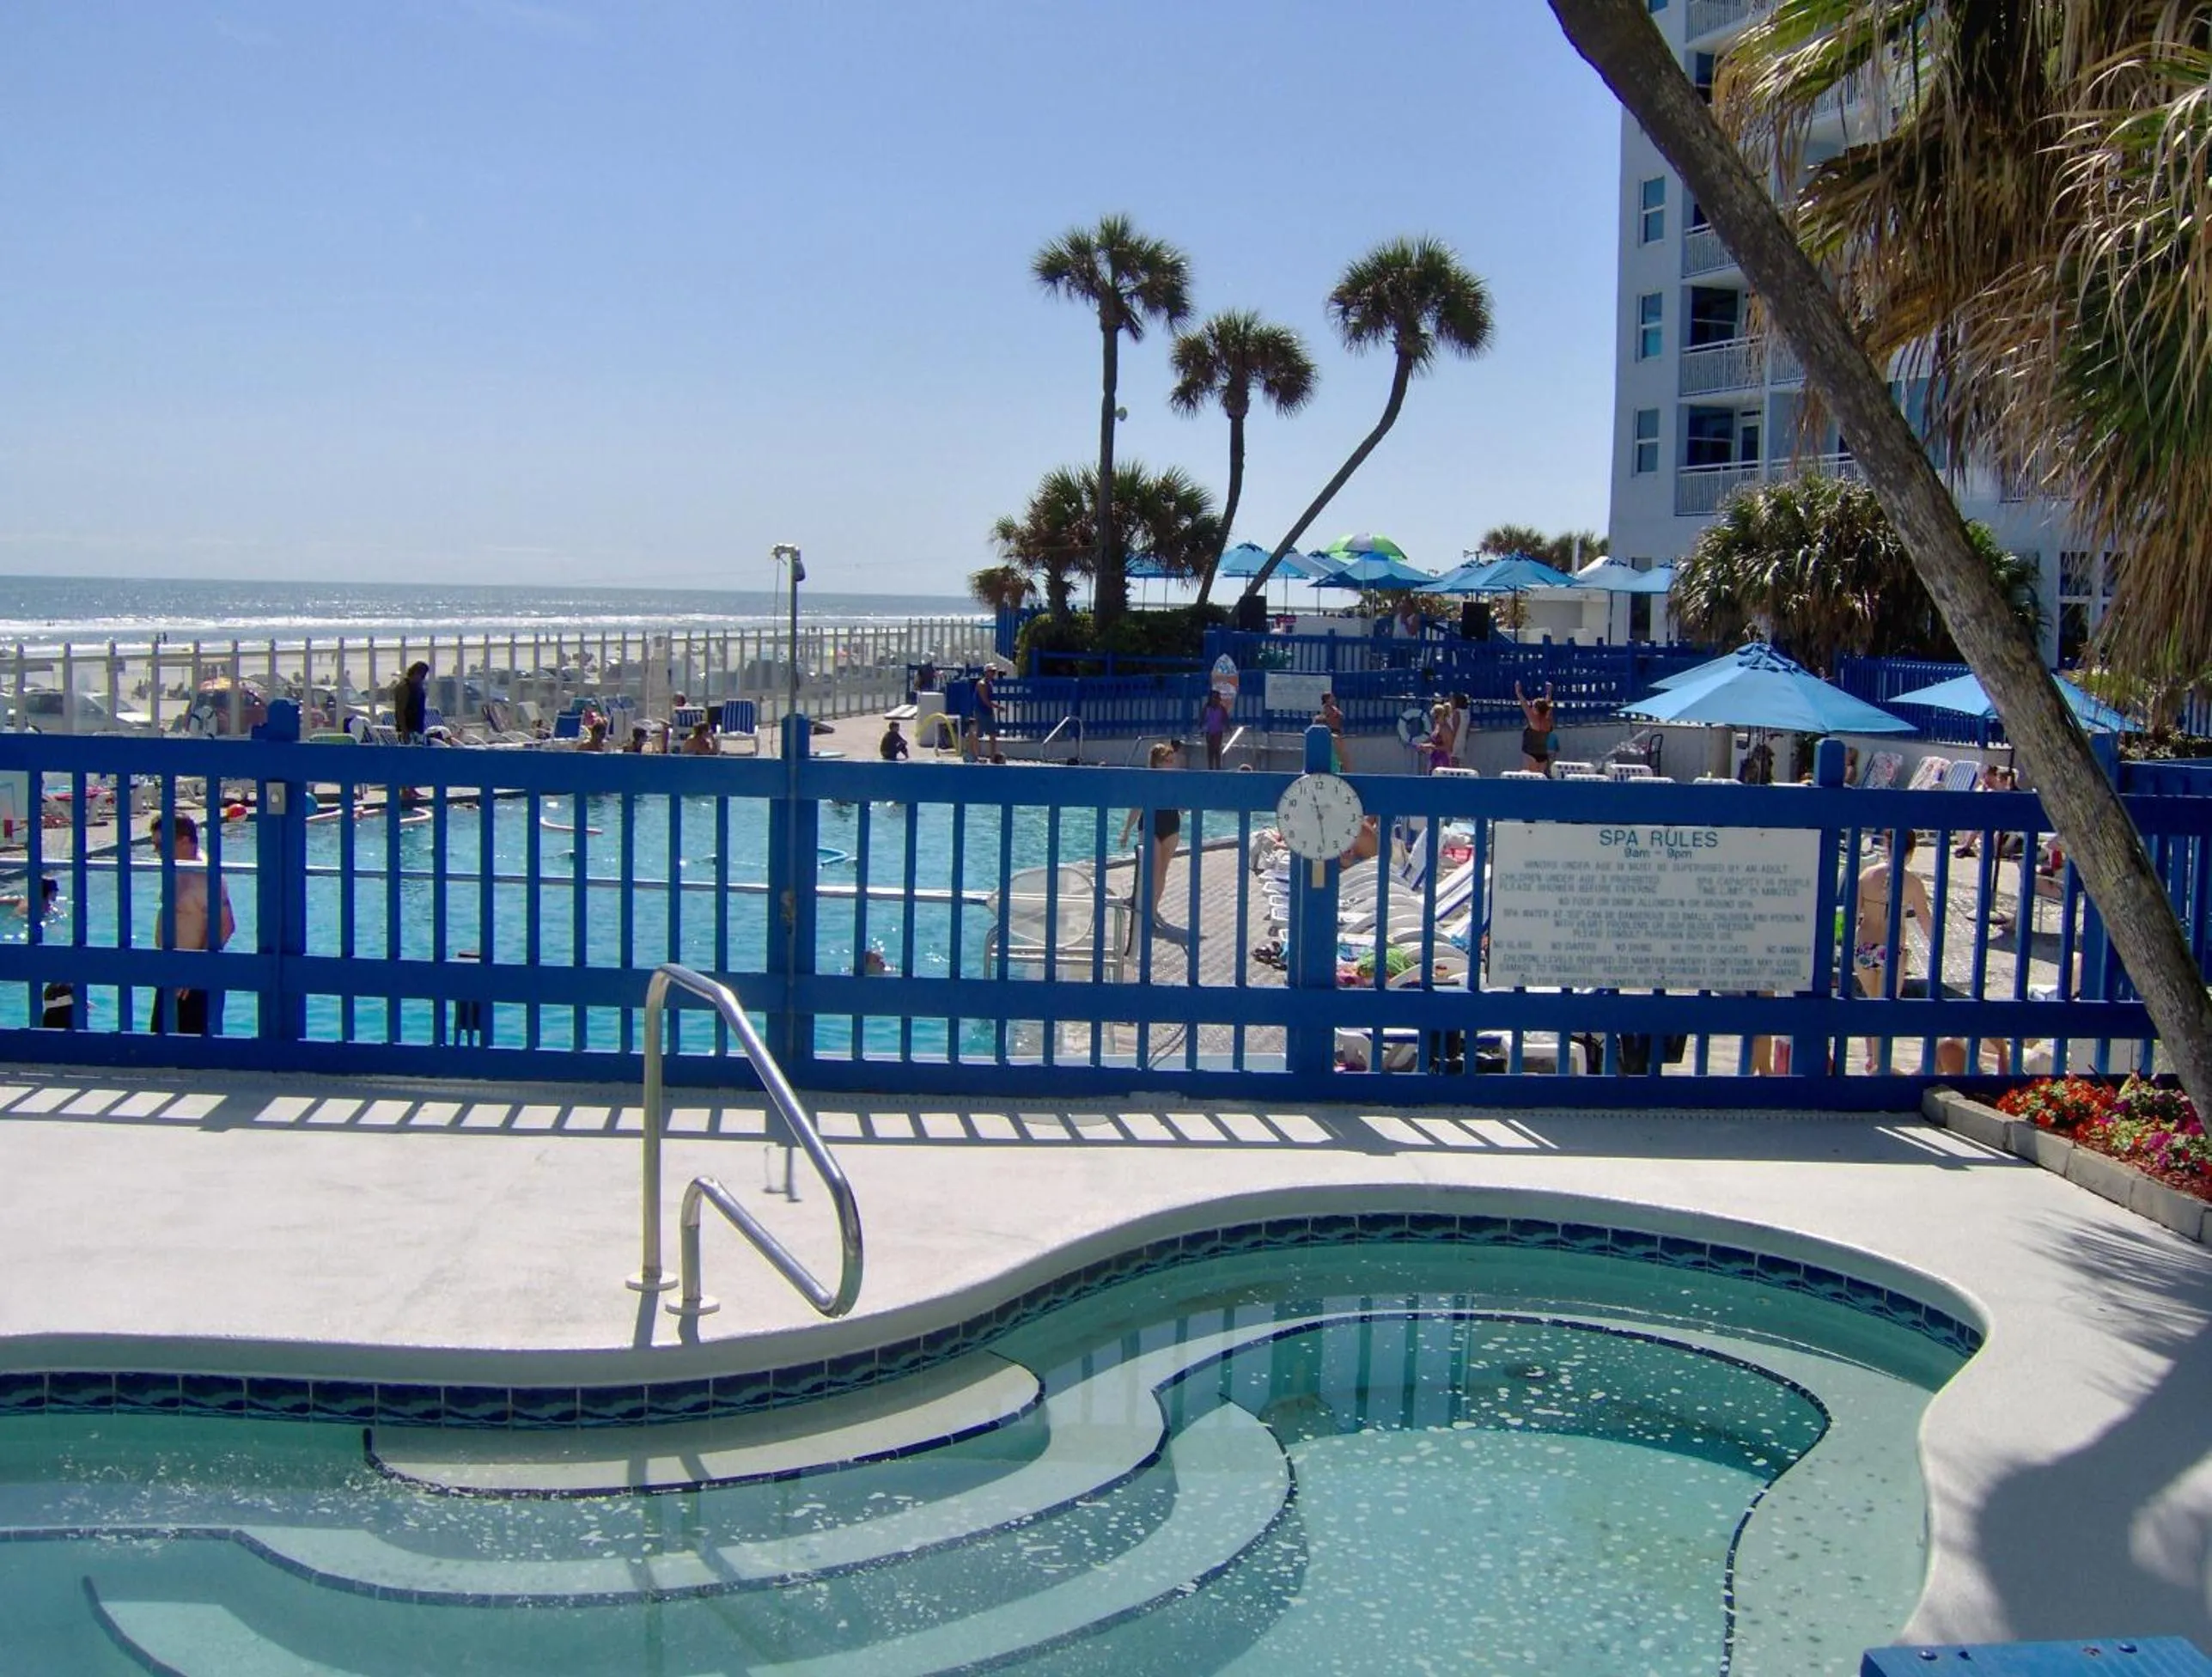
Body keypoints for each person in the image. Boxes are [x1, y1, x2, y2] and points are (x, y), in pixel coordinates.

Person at [149, 814, 234, 1035]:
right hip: (171, 971)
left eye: (161, 844)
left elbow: (225, 926)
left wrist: (194, 970)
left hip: (192, 980)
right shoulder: (178, 867)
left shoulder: (205, 875)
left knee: (191, 1051)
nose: (156, 851)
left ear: (185, 841)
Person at [1118, 741, 1185, 929]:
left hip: (1171, 825)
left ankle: (1153, 910)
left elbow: (1182, 806)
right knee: (1152, 869)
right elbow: (1136, 807)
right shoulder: (1146, 780)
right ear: (1156, 762)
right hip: (1150, 825)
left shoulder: (1176, 781)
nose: (1172, 765)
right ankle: (1143, 907)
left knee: (1162, 870)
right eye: (1168, 761)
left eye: (1173, 761)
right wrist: (1126, 831)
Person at [1515, 682, 1556, 774]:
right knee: (1540, 777)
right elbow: (1548, 704)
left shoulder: (1534, 721)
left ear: (1536, 710)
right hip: (1543, 754)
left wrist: (1519, 692)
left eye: (1533, 706)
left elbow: (1524, 705)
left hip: (1530, 753)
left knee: (1530, 777)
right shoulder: (1548, 721)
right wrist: (1549, 693)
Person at [393, 661, 430, 742]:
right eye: (422, 675)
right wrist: (404, 732)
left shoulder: (418, 687)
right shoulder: (404, 688)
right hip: (407, 730)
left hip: (418, 729)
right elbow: (400, 712)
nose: (423, 678)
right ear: (415, 673)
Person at [1316, 692, 1346, 772]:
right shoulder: (1326, 708)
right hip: (1332, 731)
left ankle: (1340, 764)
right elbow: (1329, 717)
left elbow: (1341, 716)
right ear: (1327, 699)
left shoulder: (1334, 708)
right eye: (1331, 697)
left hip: (1337, 730)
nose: (1334, 698)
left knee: (1339, 752)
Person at [1200, 690, 1230, 770]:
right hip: (1209, 731)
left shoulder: (1222, 708)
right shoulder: (1207, 708)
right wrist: (1201, 729)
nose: (1215, 700)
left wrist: (1228, 728)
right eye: (1214, 698)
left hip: (1218, 732)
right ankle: (1210, 767)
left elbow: (1226, 719)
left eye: (1217, 698)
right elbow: (1202, 719)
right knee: (1210, 749)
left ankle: (1218, 767)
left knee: (1217, 749)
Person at [973, 666, 998, 755]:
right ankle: (976, 756)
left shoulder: (990, 684)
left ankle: (993, 756)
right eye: (991, 671)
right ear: (986, 672)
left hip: (988, 712)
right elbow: (985, 700)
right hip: (980, 712)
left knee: (993, 734)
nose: (993, 673)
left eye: (994, 671)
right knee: (978, 734)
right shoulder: (982, 684)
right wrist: (997, 707)